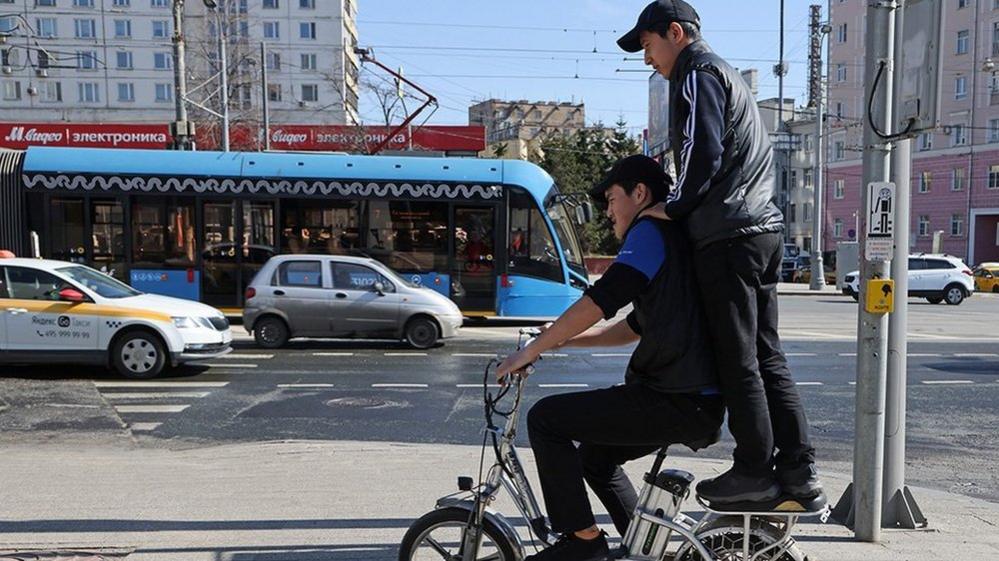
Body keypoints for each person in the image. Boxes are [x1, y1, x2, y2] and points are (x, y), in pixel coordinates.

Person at [616, 0, 822, 504]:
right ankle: (797, 470)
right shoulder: (728, 76)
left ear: (675, 33)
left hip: (728, 234)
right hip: (761, 230)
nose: (647, 59)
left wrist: (676, 206)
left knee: (738, 359)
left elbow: (700, 150)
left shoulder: (696, 72)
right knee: (767, 354)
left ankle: (753, 469)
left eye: (647, 45)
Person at [496, 155, 723, 561]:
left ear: (640, 194)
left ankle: (583, 542)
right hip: (689, 398)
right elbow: (630, 328)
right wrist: (562, 342)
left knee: (546, 419)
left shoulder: (650, 231)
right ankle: (643, 552)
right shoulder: (672, 243)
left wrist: (535, 348)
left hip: (675, 397)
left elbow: (603, 299)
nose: (608, 210)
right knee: (596, 459)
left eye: (611, 198)